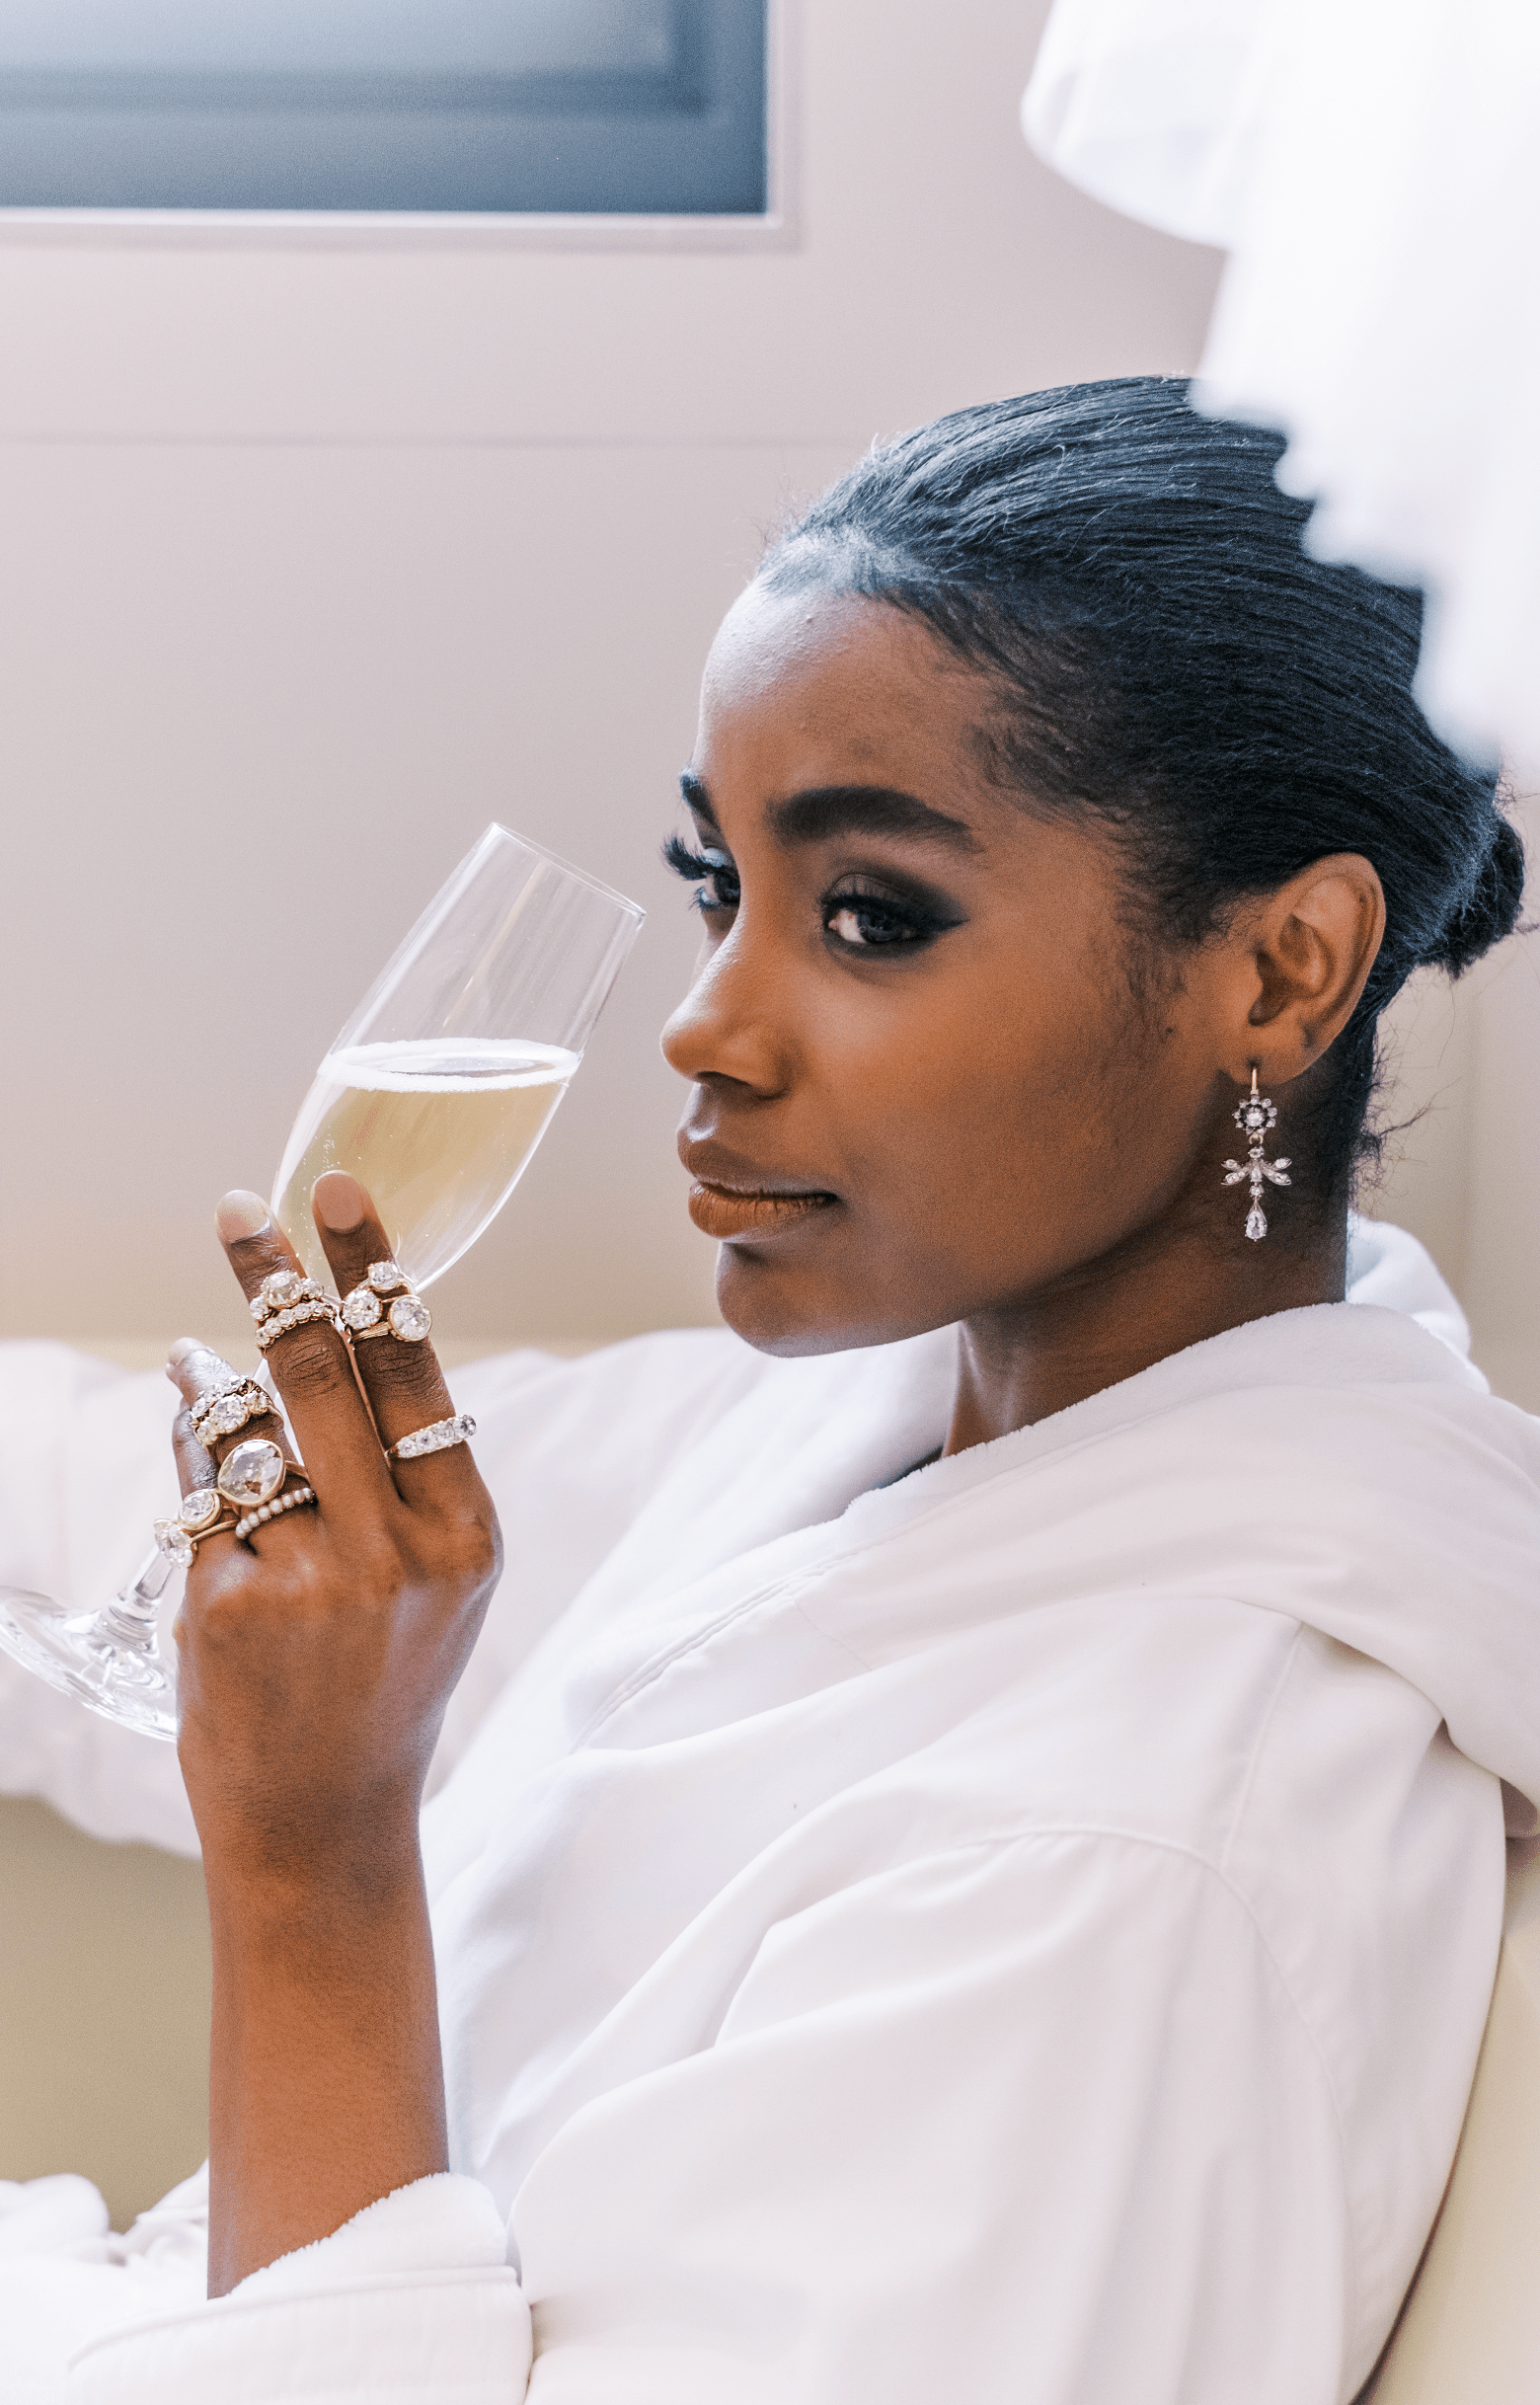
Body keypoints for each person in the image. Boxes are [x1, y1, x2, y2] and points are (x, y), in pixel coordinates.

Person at [3, 375, 1538, 2405]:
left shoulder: (1112, 1881)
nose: (703, 1026)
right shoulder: (882, 1435)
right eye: (718, 886)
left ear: (1279, 974)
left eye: (873, 917)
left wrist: (316, 1864)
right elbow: (121, 1523)